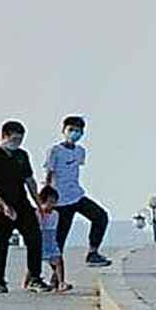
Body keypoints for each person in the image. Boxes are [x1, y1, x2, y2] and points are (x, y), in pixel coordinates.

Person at [0, 120, 47, 294]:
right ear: (4, 136)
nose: (17, 143)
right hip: (0, 205)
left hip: (22, 204)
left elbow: (29, 181)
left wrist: (39, 204)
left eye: (20, 139)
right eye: (15, 139)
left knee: (34, 238)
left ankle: (35, 278)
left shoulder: (21, 155)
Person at [44, 115, 111, 285]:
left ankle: (93, 252)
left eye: (78, 131)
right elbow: (49, 174)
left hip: (76, 196)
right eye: (71, 130)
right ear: (63, 130)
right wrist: (46, 198)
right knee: (59, 240)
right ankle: (56, 277)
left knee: (100, 216)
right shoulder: (54, 151)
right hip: (60, 202)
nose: (74, 133)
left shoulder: (80, 151)